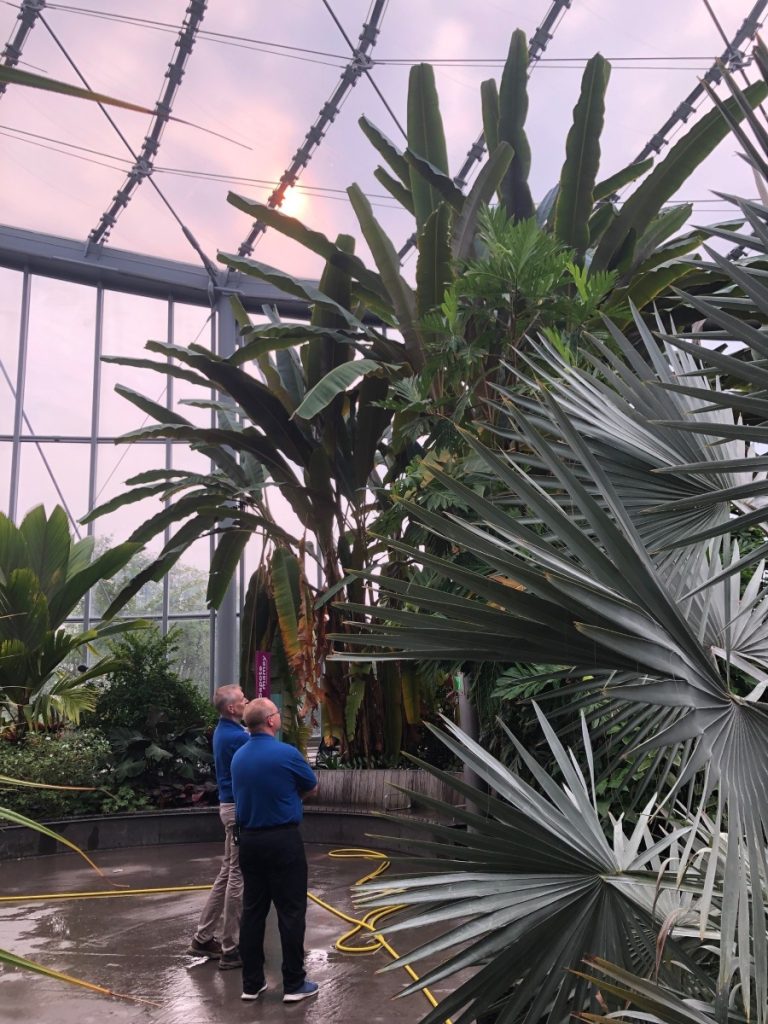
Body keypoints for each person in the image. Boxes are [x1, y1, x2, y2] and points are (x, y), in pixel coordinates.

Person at [232, 698, 319, 1003]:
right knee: (291, 911)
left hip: (249, 842)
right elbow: (311, 785)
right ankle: (294, 983)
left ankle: (252, 983)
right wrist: (290, 799)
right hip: (283, 841)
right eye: (277, 713)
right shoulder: (286, 754)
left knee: (253, 912)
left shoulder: (238, 757)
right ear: (270, 721)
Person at [187, 684, 249, 969]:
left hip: (229, 807)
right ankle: (230, 947)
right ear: (232, 708)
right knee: (237, 875)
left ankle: (202, 937)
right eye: (243, 699)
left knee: (227, 872)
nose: (247, 701)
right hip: (237, 811)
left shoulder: (226, 731)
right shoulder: (236, 737)